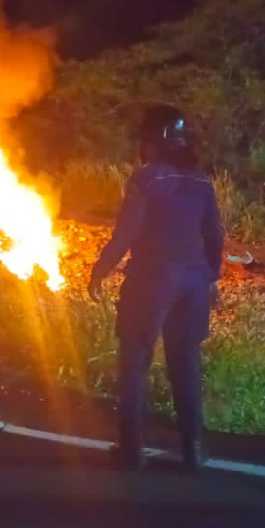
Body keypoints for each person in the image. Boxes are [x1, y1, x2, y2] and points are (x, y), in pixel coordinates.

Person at [88, 104, 225, 472]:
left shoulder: (145, 180)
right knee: (185, 363)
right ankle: (194, 450)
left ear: (156, 139)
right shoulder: (202, 181)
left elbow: (125, 234)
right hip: (193, 284)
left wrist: (99, 271)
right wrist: (211, 277)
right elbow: (215, 236)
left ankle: (131, 451)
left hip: (150, 281)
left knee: (134, 362)